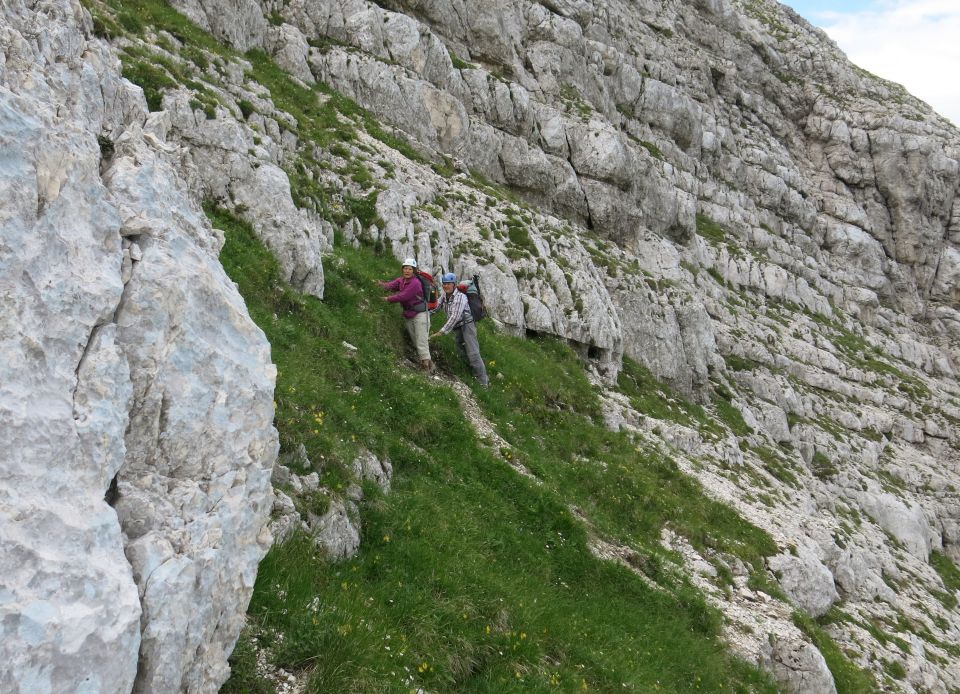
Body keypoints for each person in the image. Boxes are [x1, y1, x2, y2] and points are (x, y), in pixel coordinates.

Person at [430, 272, 489, 387]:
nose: (446, 286)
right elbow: (436, 308)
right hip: (458, 327)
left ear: (454, 284)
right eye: (444, 284)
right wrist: (425, 314)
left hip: (467, 325)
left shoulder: (460, 297)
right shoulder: (444, 296)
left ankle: (484, 383)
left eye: (449, 284)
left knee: (473, 353)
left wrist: (441, 332)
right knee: (462, 351)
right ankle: (473, 372)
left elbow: (455, 316)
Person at [378, 258, 432, 371]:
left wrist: (387, 299)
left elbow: (403, 296)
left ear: (414, 271)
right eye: (405, 268)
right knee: (416, 341)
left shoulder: (415, 283)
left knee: (421, 341)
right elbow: (390, 286)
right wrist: (379, 284)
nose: (407, 271)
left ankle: (426, 367)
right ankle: (428, 365)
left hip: (421, 315)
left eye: (410, 269)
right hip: (410, 314)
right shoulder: (402, 280)